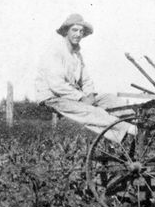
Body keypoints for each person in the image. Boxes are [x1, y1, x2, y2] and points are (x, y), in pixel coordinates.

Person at [35, 14, 136, 144]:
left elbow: (86, 80)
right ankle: (129, 129)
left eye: (81, 31)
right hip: (53, 97)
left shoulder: (77, 54)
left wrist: (90, 95)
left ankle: (136, 121)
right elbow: (56, 85)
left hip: (74, 95)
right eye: (74, 30)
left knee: (110, 99)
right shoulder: (54, 52)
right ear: (66, 31)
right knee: (90, 111)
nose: (78, 34)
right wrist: (82, 98)